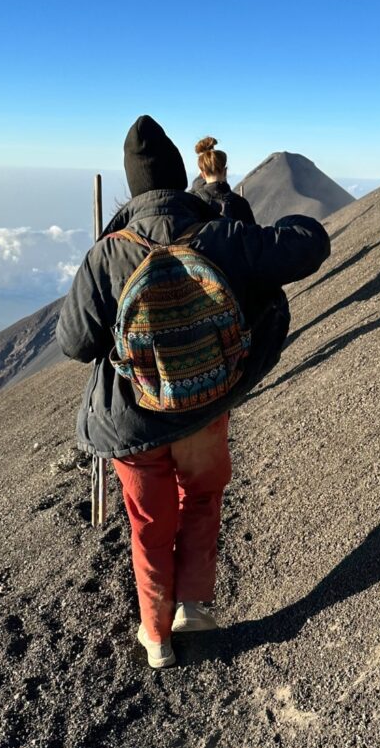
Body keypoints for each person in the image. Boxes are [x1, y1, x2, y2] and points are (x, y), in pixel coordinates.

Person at [57, 116, 329, 669]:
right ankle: (195, 605)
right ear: (182, 179)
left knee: (149, 524)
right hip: (205, 402)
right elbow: (309, 245)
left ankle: (155, 637)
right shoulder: (215, 234)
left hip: (134, 420)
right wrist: (246, 220)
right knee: (202, 496)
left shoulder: (107, 253)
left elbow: (74, 342)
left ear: (133, 188)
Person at [191, 136, 256, 224]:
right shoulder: (241, 204)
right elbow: (252, 235)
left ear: (203, 174)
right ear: (225, 171)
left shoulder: (193, 203)